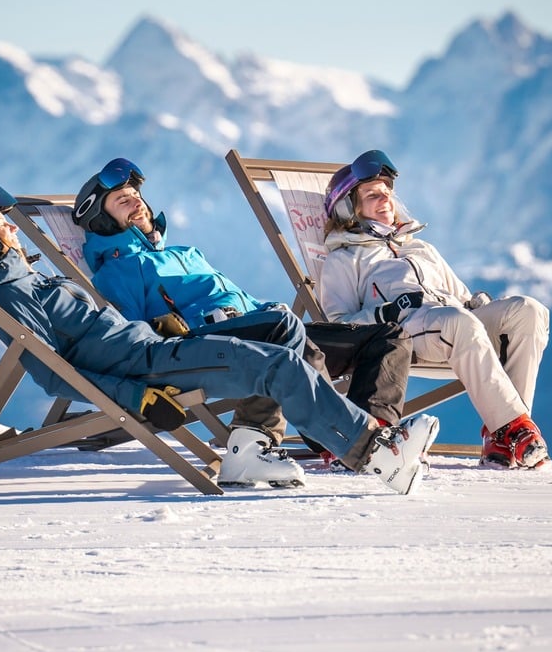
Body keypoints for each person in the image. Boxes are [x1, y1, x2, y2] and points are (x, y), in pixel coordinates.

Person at [0, 183, 440, 496]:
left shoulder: (22, 277)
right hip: (144, 367)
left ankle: (252, 451)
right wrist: (136, 397)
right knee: (274, 365)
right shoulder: (10, 292)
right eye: (2, 225)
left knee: (276, 341)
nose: (12, 231)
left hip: (149, 346)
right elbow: (48, 371)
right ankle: (375, 452)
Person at [73, 157, 416, 487]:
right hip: (206, 344)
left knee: (388, 336)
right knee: (281, 330)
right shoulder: (117, 272)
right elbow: (131, 338)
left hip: (262, 325)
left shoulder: (184, 253)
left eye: (136, 196)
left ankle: (378, 431)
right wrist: (164, 326)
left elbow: (242, 299)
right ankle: (349, 443)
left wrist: (266, 307)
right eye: (122, 201)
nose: (137, 203)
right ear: (102, 222)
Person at [319, 149, 551, 470]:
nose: (385, 200)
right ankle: (513, 430)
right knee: (459, 323)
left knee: (529, 310)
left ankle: (505, 433)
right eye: (372, 195)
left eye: (387, 192)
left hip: (452, 323)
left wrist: (485, 308)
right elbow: (340, 328)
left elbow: (464, 299)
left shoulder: (420, 246)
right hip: (405, 333)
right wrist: (386, 313)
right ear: (348, 209)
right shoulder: (344, 260)